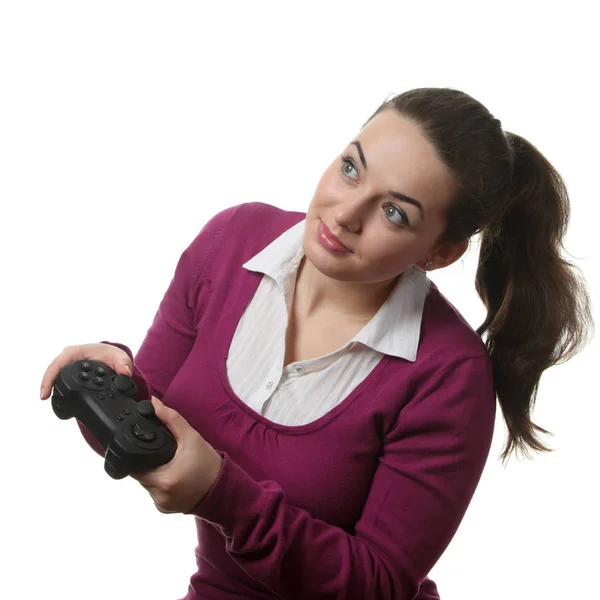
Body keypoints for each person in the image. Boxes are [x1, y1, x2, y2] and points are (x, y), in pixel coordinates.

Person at [40, 87, 594, 600]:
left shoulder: (449, 376)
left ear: (440, 253)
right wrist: (113, 385)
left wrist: (223, 496)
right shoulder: (231, 241)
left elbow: (379, 584)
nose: (345, 214)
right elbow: (155, 444)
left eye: (394, 212)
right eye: (352, 168)